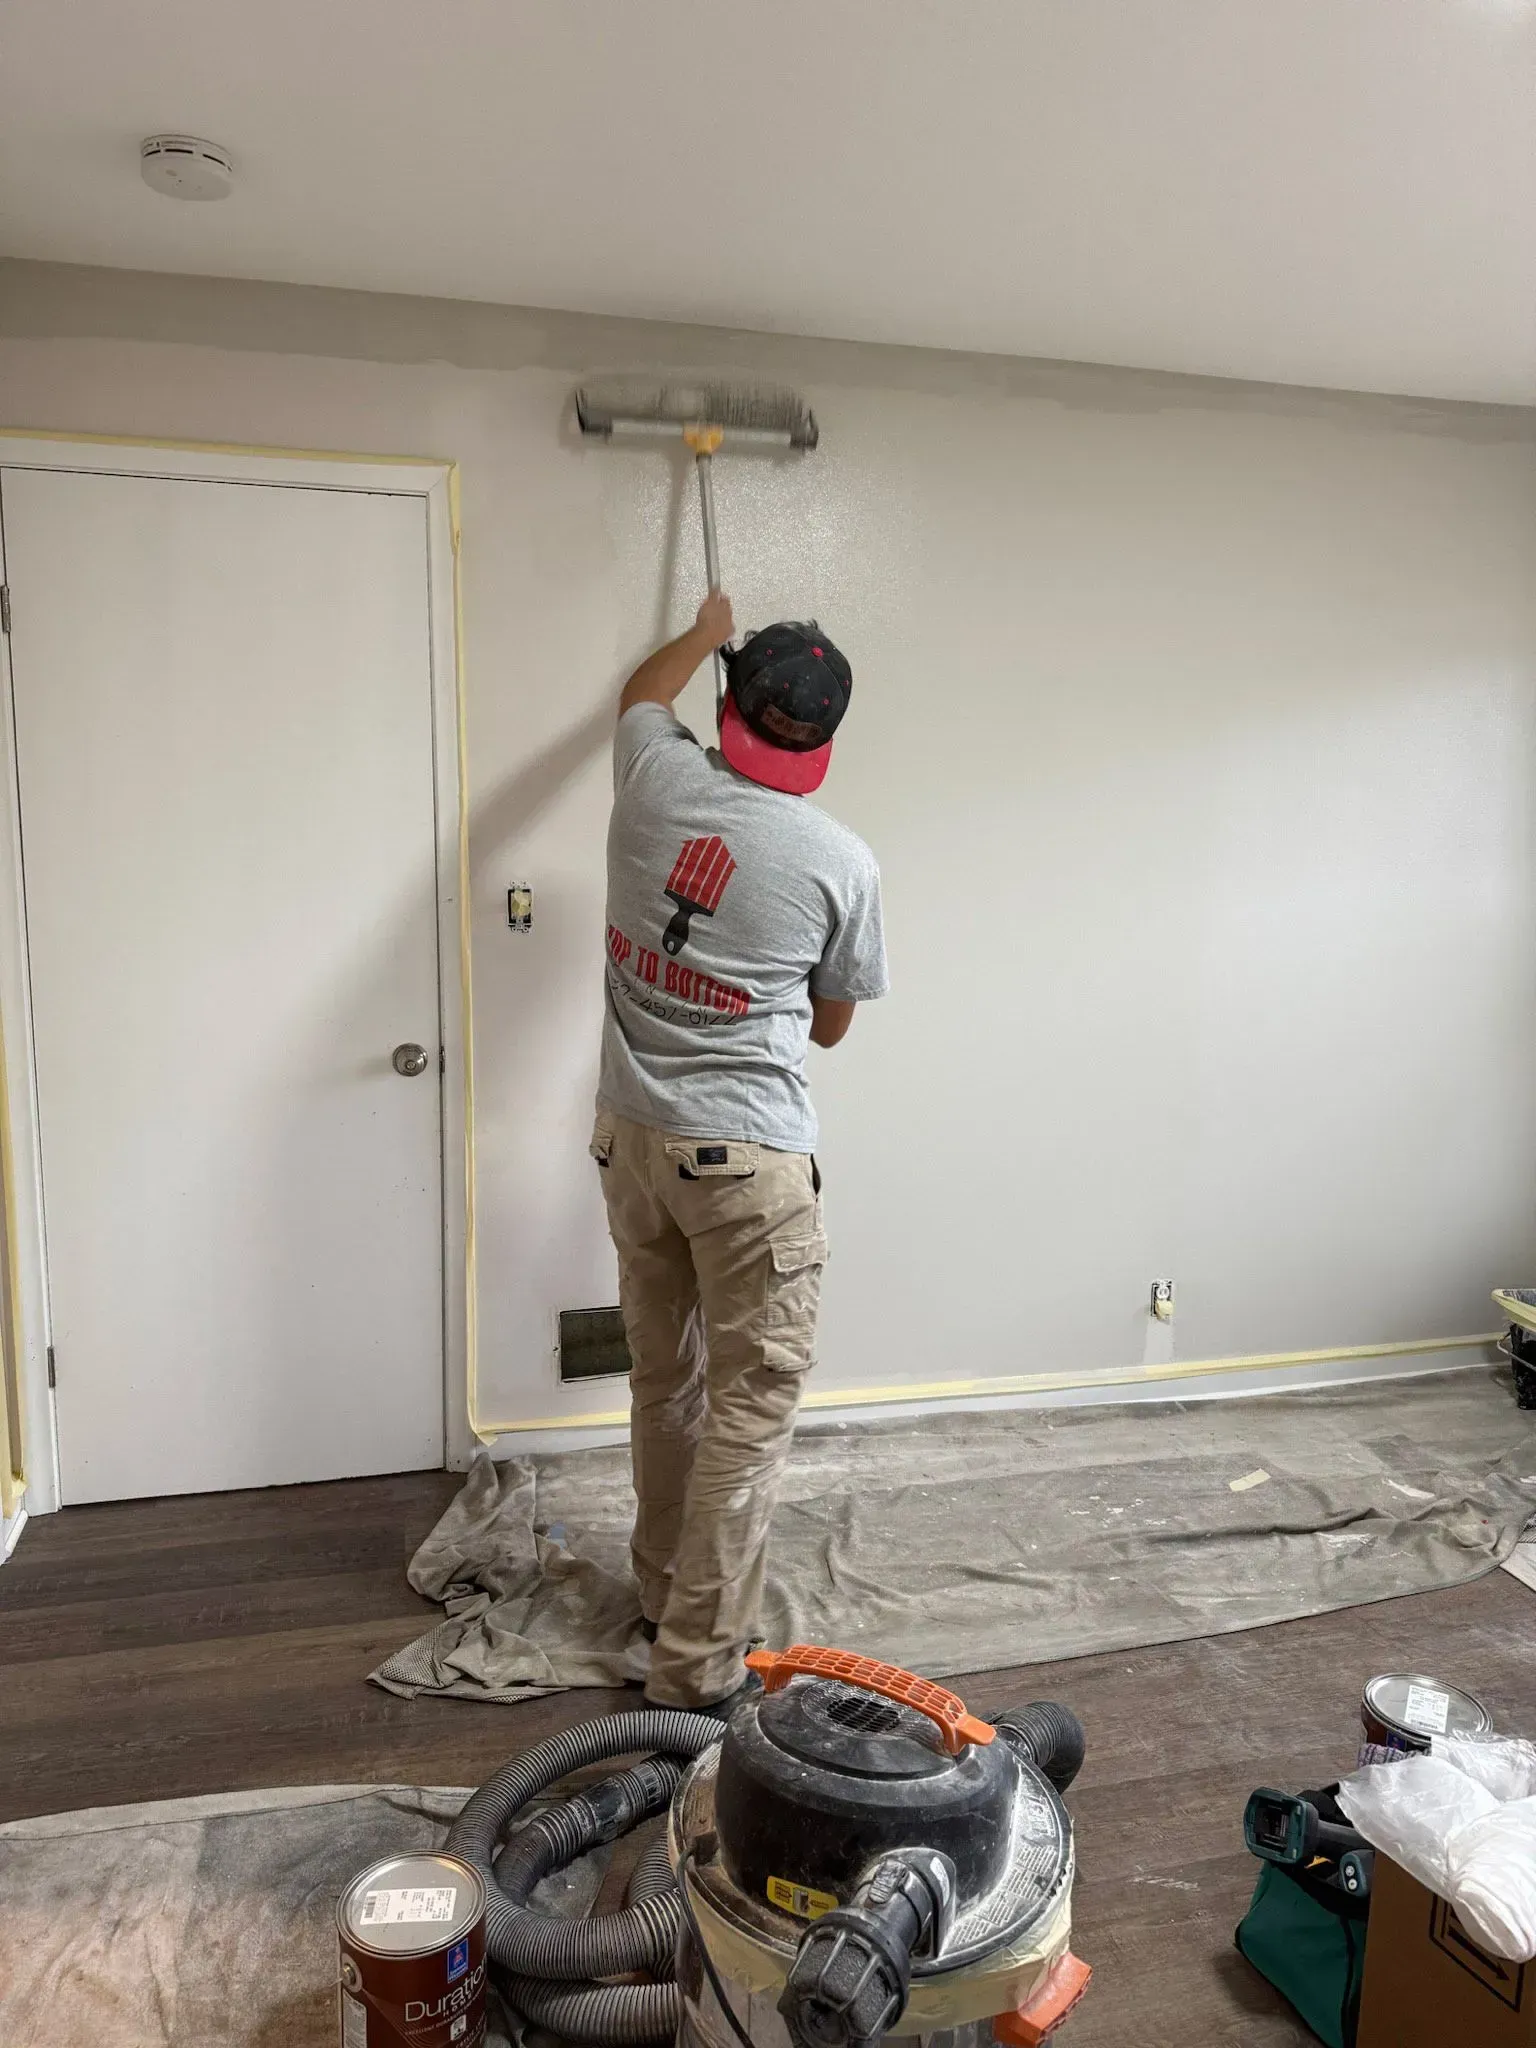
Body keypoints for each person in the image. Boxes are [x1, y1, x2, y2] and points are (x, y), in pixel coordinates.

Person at [591, 589, 888, 1713]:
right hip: (749, 1164)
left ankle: (662, 1600)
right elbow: (829, 1022)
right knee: (749, 1410)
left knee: (666, 1382)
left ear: (729, 707)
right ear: (823, 740)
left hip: (632, 1138)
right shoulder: (837, 860)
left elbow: (639, 695)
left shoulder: (652, 776)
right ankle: (694, 1670)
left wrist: (706, 628)